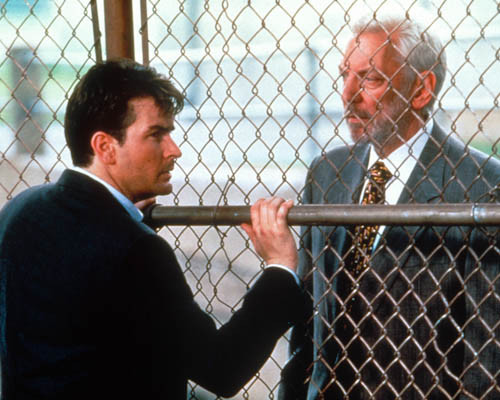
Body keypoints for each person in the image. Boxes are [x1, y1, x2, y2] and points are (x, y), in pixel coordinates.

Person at [0, 59, 307, 400]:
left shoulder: (19, 211)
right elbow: (222, 367)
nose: (174, 150)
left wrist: (125, 216)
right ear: (105, 147)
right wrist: (280, 267)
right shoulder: (135, 249)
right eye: (156, 134)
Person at [279, 14, 500, 400]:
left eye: (370, 78)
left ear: (421, 89)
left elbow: (486, 362)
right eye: (345, 75)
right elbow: (307, 325)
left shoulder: (483, 186)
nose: (347, 94)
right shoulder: (327, 173)